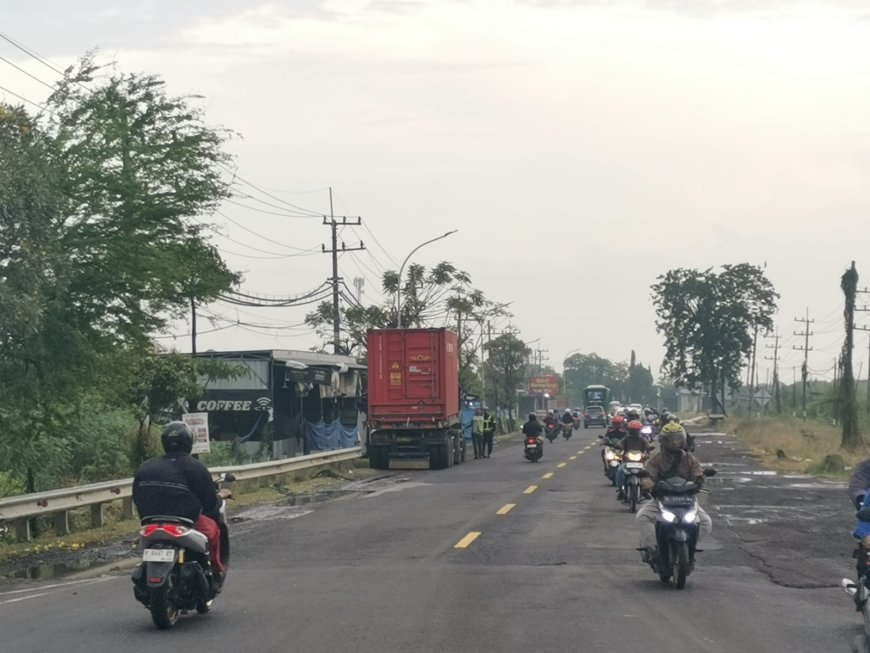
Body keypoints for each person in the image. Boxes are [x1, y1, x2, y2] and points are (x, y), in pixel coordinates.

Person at [133, 421, 231, 577]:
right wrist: (219, 497)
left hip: (150, 525)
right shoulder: (195, 467)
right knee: (213, 531)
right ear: (189, 442)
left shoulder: (146, 466)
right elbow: (210, 504)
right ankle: (214, 570)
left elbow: (136, 497)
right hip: (185, 523)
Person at [635, 422, 712, 561]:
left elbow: (698, 472)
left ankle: (691, 544)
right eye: (670, 439)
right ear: (663, 441)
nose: (674, 443)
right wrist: (651, 487)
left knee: (706, 522)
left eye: (677, 439)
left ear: (683, 440)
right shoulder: (657, 459)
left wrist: (700, 479)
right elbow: (647, 475)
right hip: (662, 498)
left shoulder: (690, 459)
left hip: (687, 499)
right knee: (642, 517)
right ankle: (654, 547)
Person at [615, 419, 652, 501]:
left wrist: (648, 454)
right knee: (620, 471)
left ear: (639, 430)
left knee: (648, 472)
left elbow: (648, 447)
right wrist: (618, 452)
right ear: (629, 430)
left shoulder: (643, 440)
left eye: (636, 430)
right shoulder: (626, 439)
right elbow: (619, 445)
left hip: (640, 462)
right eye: (632, 430)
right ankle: (621, 490)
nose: (634, 432)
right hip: (627, 462)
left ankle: (646, 490)